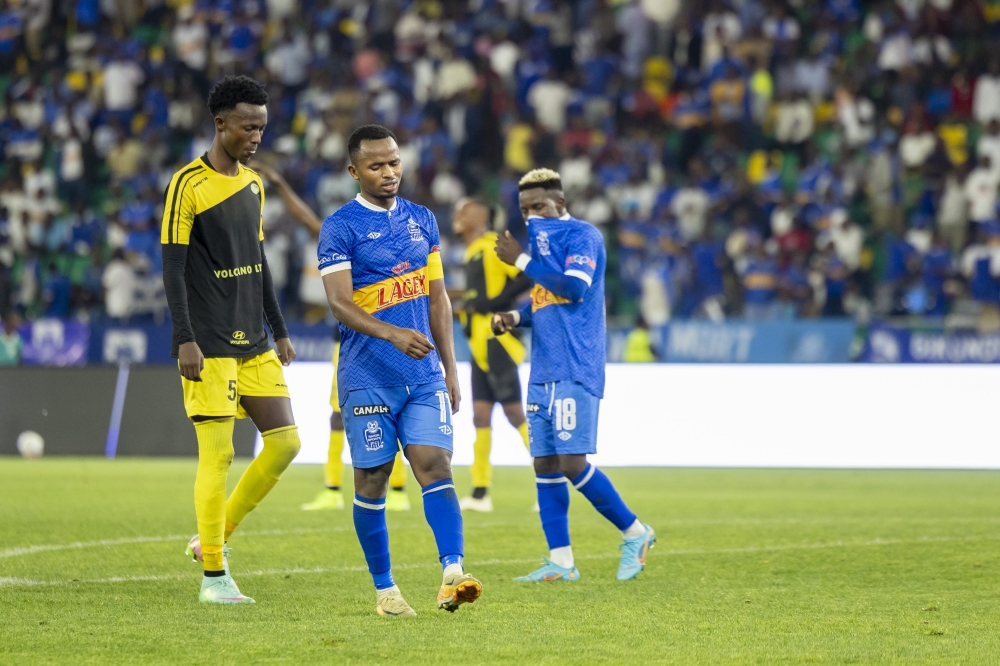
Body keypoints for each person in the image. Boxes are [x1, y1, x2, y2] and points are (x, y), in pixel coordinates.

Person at [317, 125, 480, 617]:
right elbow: (340, 304)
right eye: (375, 166)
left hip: (424, 373)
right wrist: (391, 334)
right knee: (373, 478)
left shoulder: (423, 220)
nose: (388, 173)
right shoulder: (340, 227)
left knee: (436, 465)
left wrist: (451, 367)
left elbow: (438, 299)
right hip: (367, 375)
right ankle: (386, 592)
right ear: (354, 172)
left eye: (393, 163)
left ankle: (453, 572)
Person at [160, 76, 301, 605]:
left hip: (255, 340)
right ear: (220, 124)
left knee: (286, 443)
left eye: (262, 127)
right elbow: (172, 269)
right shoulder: (187, 185)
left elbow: (258, 261)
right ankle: (215, 577)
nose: (256, 136)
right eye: (248, 126)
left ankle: (213, 539)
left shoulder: (254, 184)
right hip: (209, 342)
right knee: (216, 457)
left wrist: (281, 329)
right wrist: (184, 338)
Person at [492, 168, 656, 583]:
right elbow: (547, 300)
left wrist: (521, 260)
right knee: (544, 463)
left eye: (539, 206)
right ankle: (561, 561)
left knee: (571, 462)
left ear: (560, 203)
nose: (532, 217)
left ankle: (636, 532)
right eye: (525, 210)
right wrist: (515, 316)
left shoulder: (583, 236)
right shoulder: (540, 246)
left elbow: (574, 289)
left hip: (575, 367)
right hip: (543, 368)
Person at [250, 162, 412, 512]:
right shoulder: (341, 236)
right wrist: (279, 182)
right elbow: (309, 221)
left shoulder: (390, 235)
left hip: (380, 336)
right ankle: (335, 488)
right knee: (341, 414)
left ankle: (392, 490)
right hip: (352, 338)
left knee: (387, 410)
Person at [451, 196, 532, 512]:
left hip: (499, 341)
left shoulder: (490, 245)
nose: (459, 213)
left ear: (481, 217)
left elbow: (525, 277)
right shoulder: (472, 251)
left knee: (515, 414)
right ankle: (481, 493)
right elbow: (476, 297)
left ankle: (549, 481)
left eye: (466, 209)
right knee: (480, 416)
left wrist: (494, 303)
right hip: (479, 346)